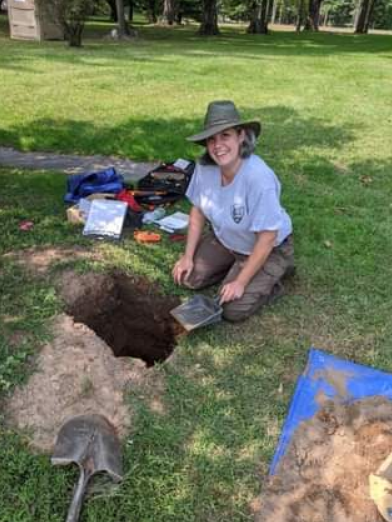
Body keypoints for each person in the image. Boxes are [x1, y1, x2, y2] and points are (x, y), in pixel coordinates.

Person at [172, 100, 294, 322]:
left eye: (225, 135)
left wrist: (240, 283)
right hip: (227, 240)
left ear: (241, 136)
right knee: (189, 278)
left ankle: (275, 273)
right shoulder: (205, 167)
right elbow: (198, 212)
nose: (218, 145)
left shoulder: (258, 178)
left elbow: (267, 237)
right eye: (212, 138)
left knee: (233, 309)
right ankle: (236, 265)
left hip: (266, 247)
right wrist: (187, 257)